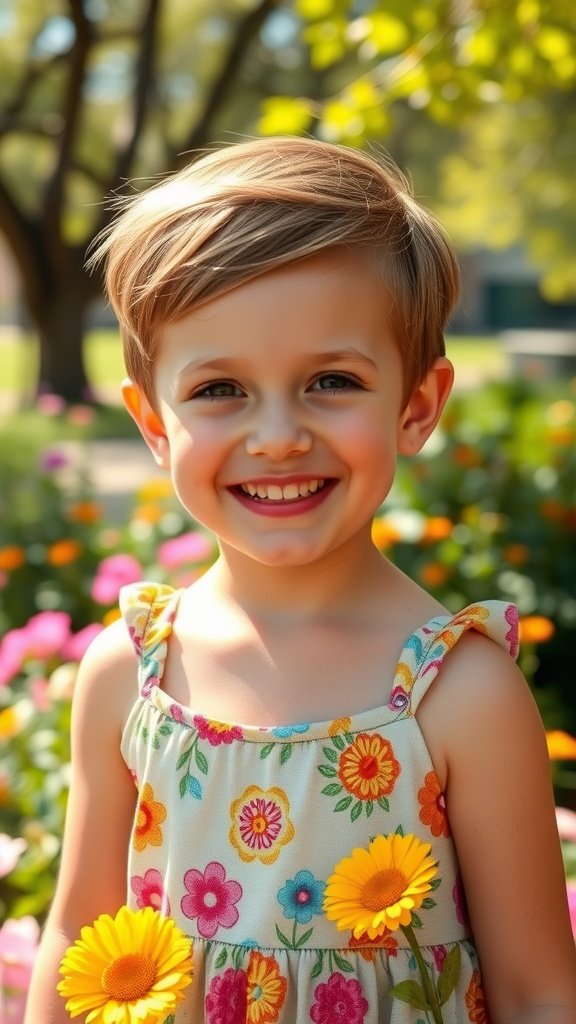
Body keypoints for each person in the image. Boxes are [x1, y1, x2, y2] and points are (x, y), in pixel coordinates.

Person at [25, 137, 576, 1024]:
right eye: (219, 390)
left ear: (417, 406)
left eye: (331, 380)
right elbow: (76, 936)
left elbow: (537, 992)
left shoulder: (459, 692)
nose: (278, 436)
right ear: (155, 424)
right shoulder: (131, 674)